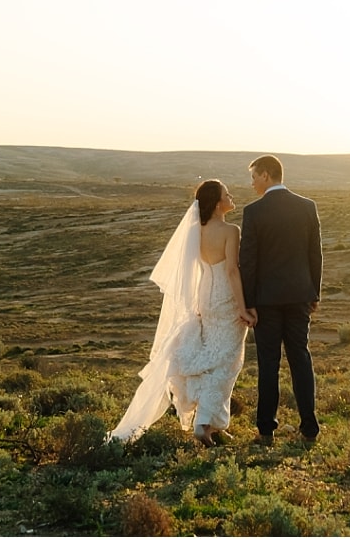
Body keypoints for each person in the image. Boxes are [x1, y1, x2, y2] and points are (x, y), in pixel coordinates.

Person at [110, 179, 251, 445]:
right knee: (228, 361)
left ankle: (215, 423)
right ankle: (204, 421)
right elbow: (232, 271)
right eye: (227, 194)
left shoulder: (196, 231)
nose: (232, 196)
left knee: (212, 356)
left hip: (204, 297)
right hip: (225, 298)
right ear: (217, 203)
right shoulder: (231, 230)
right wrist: (243, 308)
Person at [238, 155, 322, 444]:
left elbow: (247, 262)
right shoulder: (307, 207)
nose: (251, 183)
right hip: (300, 295)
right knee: (301, 359)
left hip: (266, 301)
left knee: (268, 364)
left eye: (253, 177)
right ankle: (309, 429)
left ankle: (266, 431)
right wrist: (314, 293)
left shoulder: (254, 213)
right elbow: (315, 254)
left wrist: (248, 301)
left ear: (265, 175)